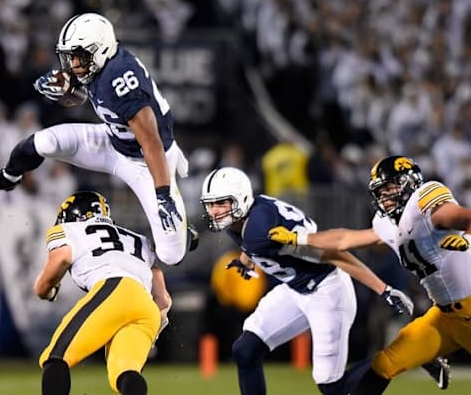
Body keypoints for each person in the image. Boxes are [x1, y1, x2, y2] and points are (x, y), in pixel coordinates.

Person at [0, 12, 197, 265]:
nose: (72, 64)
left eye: (78, 57)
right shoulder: (102, 65)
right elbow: (87, 98)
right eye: (70, 56)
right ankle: (7, 178)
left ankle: (183, 235)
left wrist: (163, 195)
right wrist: (66, 90)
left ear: (100, 51)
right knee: (43, 142)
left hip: (148, 162)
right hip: (114, 140)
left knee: (172, 255)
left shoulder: (121, 81)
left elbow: (151, 142)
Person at [199, 167, 415, 395]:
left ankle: (405, 353)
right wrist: (246, 260)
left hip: (327, 290)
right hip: (296, 288)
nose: (215, 211)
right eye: (211, 205)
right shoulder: (245, 218)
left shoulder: (261, 230)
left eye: (221, 203)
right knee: (245, 349)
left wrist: (383, 289)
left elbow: (335, 254)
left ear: (241, 198)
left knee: (332, 387)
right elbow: (250, 243)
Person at [268, 155, 468, 394]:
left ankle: (432, 356)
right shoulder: (389, 223)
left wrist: (467, 239)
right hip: (444, 317)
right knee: (383, 365)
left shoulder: (427, 207)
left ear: (409, 181)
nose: (384, 196)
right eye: (380, 191)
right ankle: (430, 355)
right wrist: (300, 238)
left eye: (389, 187)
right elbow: (346, 239)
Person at [35, 191, 172, 395]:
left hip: (114, 288)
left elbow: (60, 258)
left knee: (56, 357)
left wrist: (45, 290)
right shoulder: (137, 239)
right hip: (147, 306)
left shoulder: (68, 229)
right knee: (125, 372)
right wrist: (153, 329)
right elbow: (162, 298)